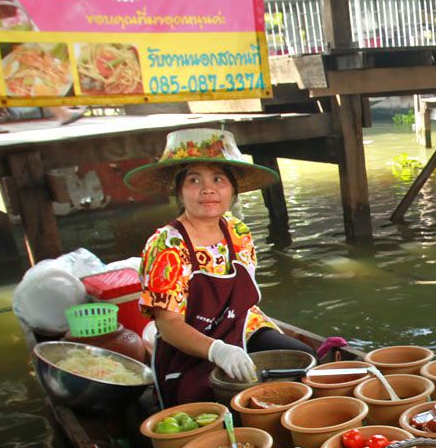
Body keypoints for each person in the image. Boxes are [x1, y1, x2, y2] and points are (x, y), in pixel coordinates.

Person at [125, 128, 314, 408]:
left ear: (233, 188)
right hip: (190, 348)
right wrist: (218, 350)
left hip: (243, 328)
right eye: (194, 179)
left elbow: (244, 304)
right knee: (217, 402)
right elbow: (168, 325)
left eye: (218, 178)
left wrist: (235, 344)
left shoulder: (238, 231)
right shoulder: (166, 244)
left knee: (304, 362)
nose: (208, 189)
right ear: (179, 190)